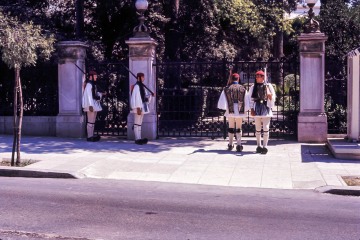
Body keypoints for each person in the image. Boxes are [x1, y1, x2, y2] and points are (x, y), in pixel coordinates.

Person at [217, 69, 249, 152]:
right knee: (239, 127)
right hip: (239, 110)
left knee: (230, 127)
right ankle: (239, 145)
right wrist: (246, 109)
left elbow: (223, 101)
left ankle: (230, 144)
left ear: (231, 79)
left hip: (230, 109)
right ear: (238, 79)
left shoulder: (227, 89)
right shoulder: (243, 88)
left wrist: (225, 107)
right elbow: (246, 100)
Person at [248, 70, 276, 154]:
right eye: (256, 76)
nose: (256, 78)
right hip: (257, 108)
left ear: (263, 77)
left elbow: (273, 96)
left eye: (258, 76)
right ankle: (258, 146)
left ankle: (265, 146)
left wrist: (270, 96)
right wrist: (251, 109)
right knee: (258, 128)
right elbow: (250, 99)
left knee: (266, 128)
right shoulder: (253, 87)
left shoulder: (269, 85)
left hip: (265, 107)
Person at [82, 70, 106, 142]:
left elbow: (94, 94)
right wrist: (90, 105)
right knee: (90, 121)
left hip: (93, 104)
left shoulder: (92, 84)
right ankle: (89, 136)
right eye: (95, 76)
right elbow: (88, 95)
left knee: (92, 121)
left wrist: (101, 94)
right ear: (91, 76)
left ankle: (91, 135)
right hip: (91, 105)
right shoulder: (89, 84)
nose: (96, 77)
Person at [130, 72, 153, 145]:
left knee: (139, 123)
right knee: (136, 123)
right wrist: (137, 107)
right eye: (142, 77)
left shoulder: (142, 86)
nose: (144, 78)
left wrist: (150, 96)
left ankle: (139, 138)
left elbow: (144, 96)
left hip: (142, 106)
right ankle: (137, 138)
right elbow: (134, 98)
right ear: (139, 78)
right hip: (138, 107)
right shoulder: (137, 86)